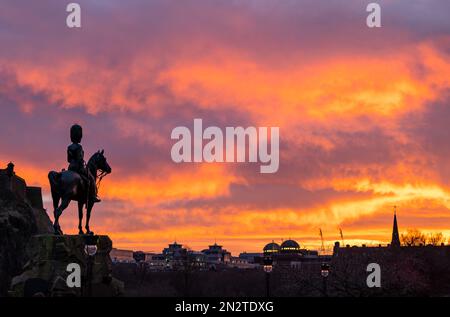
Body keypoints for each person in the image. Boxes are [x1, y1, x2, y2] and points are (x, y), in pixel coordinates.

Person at [67, 124, 100, 203]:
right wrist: (81, 161)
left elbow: (68, 159)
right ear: (79, 136)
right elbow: (79, 159)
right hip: (79, 168)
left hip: (70, 167)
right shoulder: (79, 147)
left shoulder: (69, 147)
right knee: (91, 178)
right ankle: (93, 196)